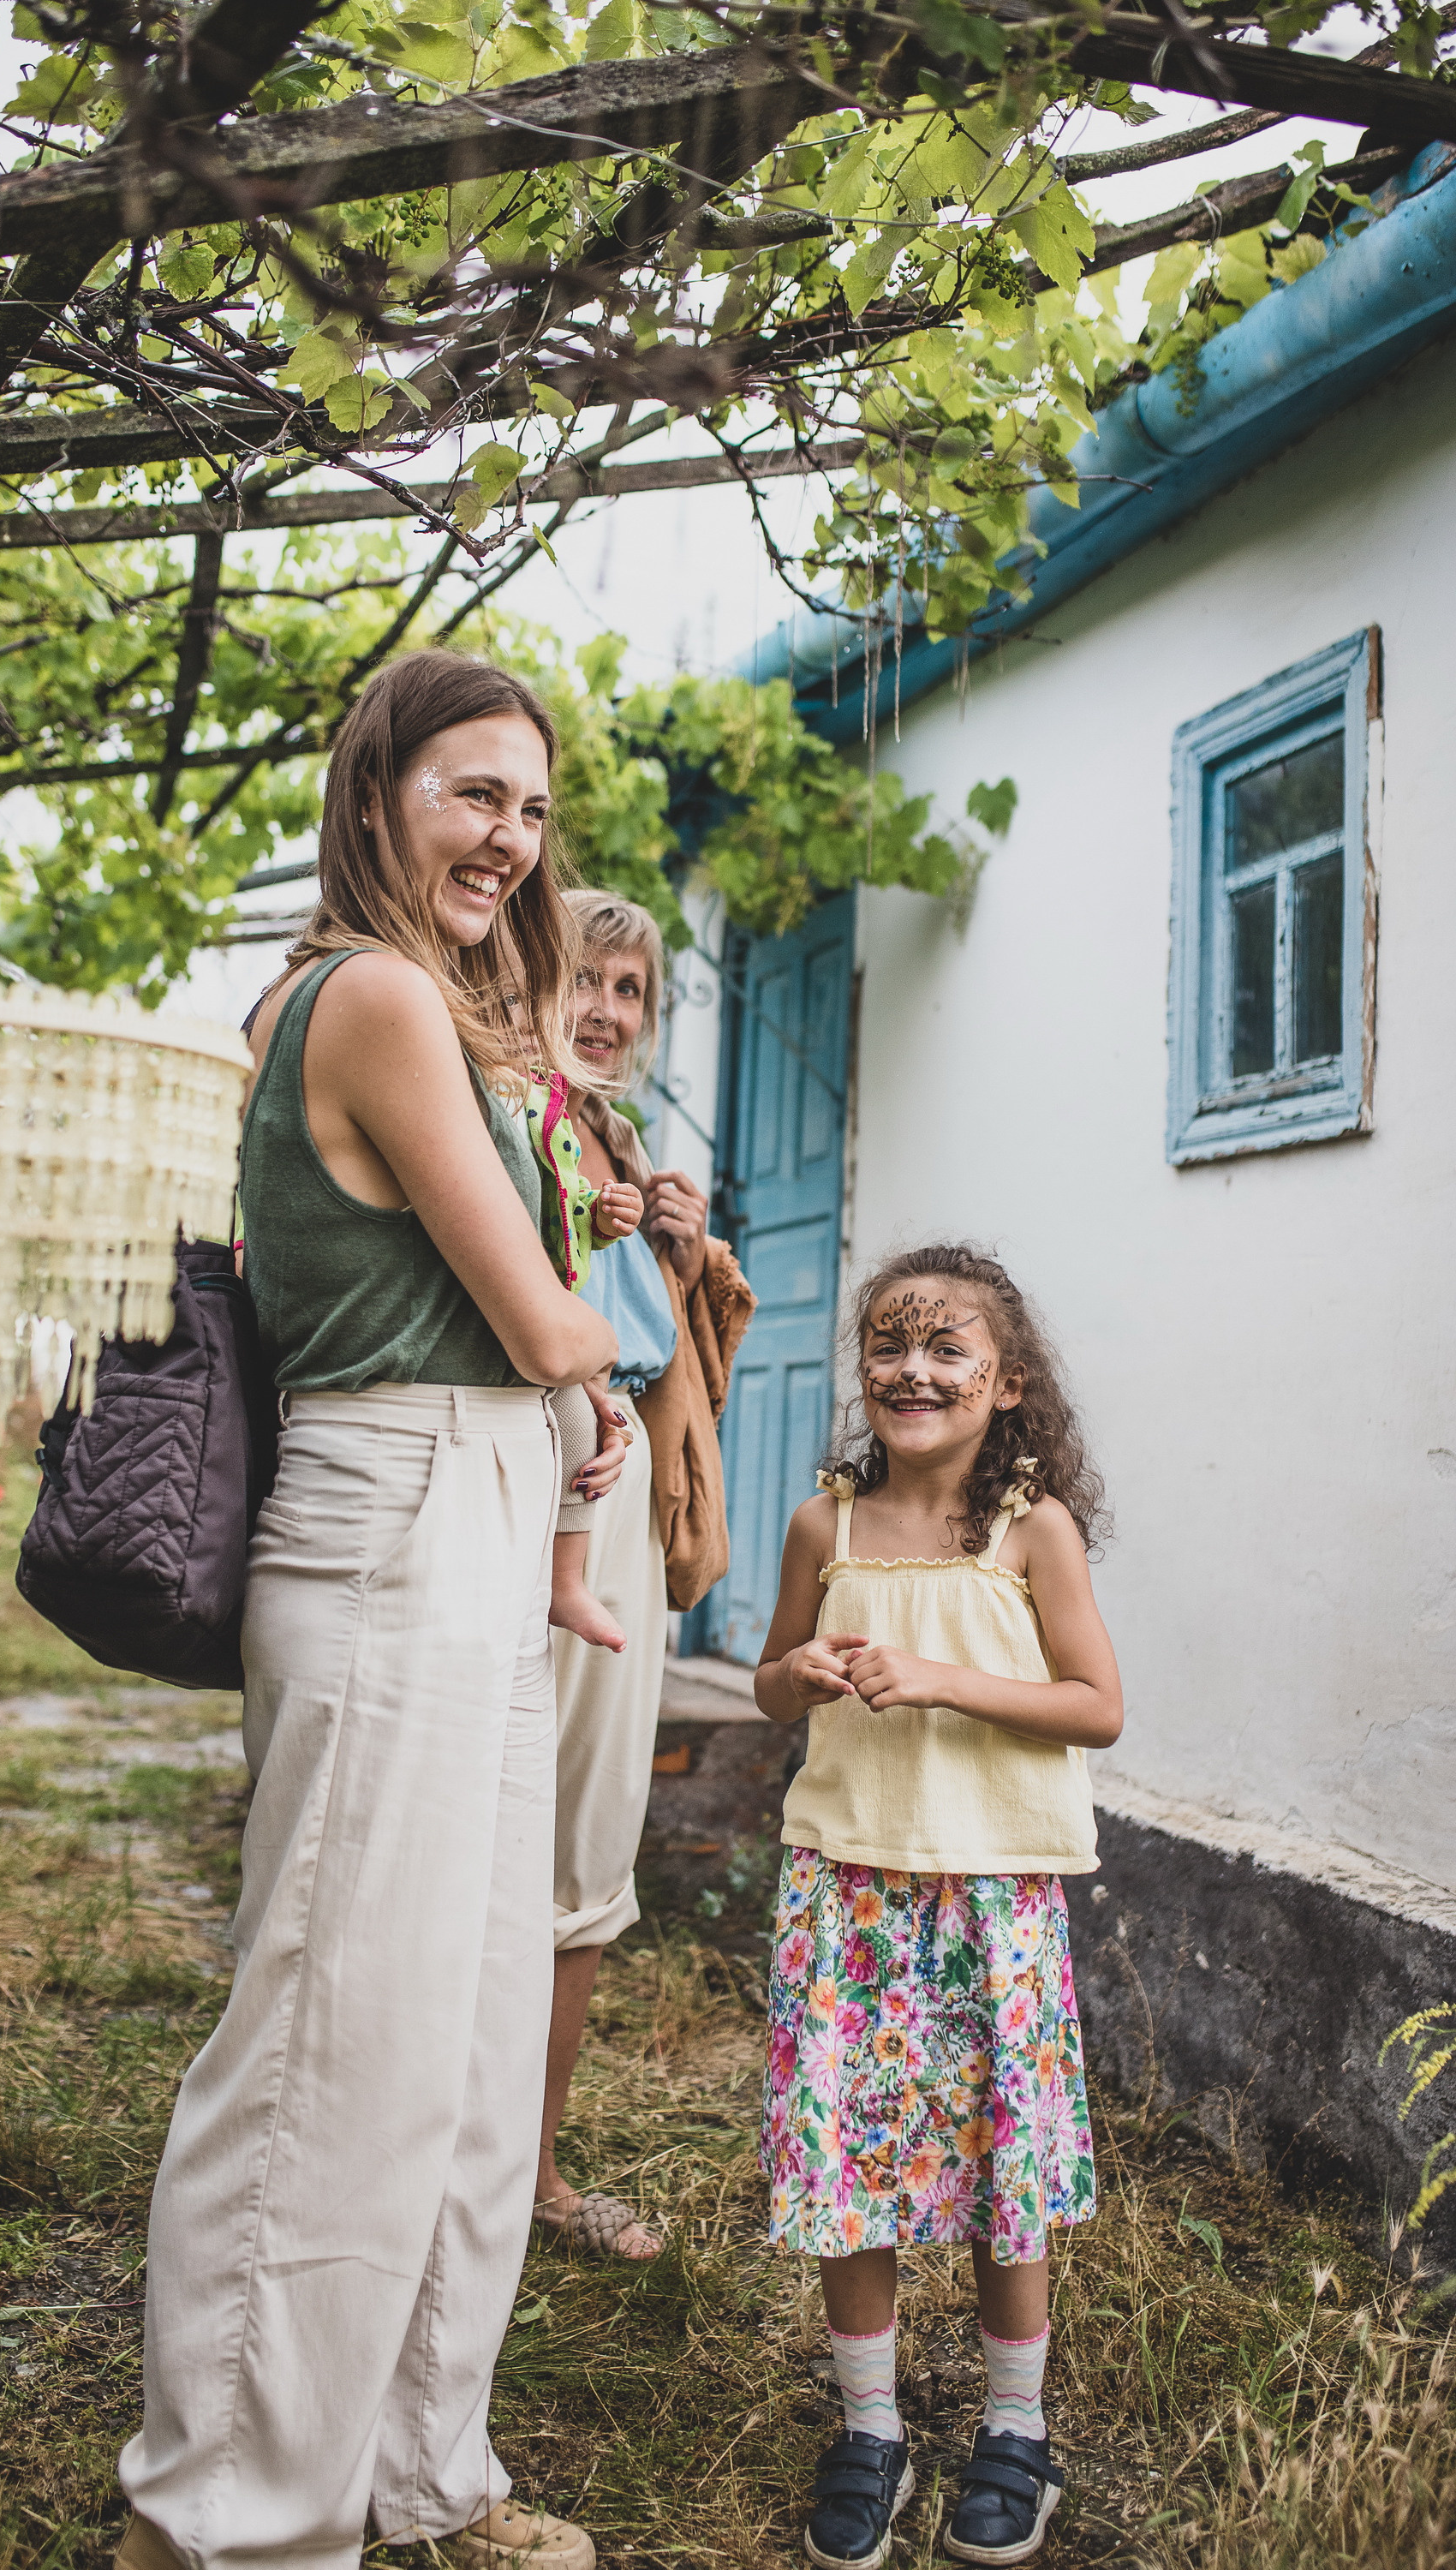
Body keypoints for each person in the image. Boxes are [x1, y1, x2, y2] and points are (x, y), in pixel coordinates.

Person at [116, 651, 621, 2570]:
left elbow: (534, 1342)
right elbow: (538, 1312)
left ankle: (425, 2469)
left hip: (480, 1505)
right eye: (473, 793)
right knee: (334, 2033)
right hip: (396, 1506)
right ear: (380, 790)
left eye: (533, 807)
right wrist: (606, 1373)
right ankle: (223, 2520)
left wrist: (570, 1402)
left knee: (476, 2037)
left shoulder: (452, 1015)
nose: (510, 836)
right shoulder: (379, 996)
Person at [753, 1244, 1123, 2569]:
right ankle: (871, 2429)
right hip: (846, 1890)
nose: (913, 1370)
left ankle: (1015, 2431)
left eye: (946, 1348)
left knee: (999, 2166)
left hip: (992, 1899)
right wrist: (796, 1671)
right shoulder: (824, 1525)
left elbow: (1097, 1706)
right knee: (852, 2168)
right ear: (864, 1371)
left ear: (1005, 1379)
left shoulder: (1032, 1529)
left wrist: (941, 1678)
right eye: (889, 1347)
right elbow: (768, 1686)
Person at [534, 890, 755, 2262]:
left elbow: (671, 1354)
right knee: (497, 1827)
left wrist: (675, 1244)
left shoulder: (619, 1139)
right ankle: (455, 2158)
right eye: (586, 980)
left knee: (591, 1834)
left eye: (633, 991)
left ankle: (538, 2172)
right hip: (534, 1486)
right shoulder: (503, 1107)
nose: (610, 1011)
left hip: (614, 1506)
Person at [520, 1063, 644, 1653]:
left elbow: (562, 1203)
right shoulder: (499, 1095)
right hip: (527, 1317)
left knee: (579, 1422)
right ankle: (564, 1582)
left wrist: (599, 1215)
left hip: (554, 1321)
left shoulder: (553, 1102)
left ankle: (565, 1582)